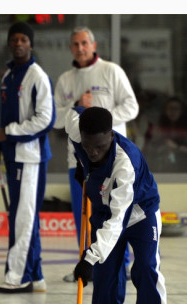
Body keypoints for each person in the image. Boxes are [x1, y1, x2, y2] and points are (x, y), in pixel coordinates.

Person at [65, 106, 173, 304]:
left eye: (100, 147)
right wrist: (82, 162)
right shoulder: (75, 129)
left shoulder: (126, 163)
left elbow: (118, 220)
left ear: (111, 136)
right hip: (104, 210)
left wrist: (89, 258)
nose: (93, 152)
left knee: (146, 267)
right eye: (88, 146)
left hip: (139, 213)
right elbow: (73, 112)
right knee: (106, 275)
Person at [53, 26, 139, 283]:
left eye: (84, 43)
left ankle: (120, 266)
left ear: (93, 44)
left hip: (110, 160)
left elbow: (131, 106)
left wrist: (102, 121)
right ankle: (85, 264)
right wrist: (75, 105)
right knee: (84, 215)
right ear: (71, 48)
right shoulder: (65, 80)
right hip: (78, 160)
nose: (80, 48)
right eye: (75, 44)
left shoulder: (111, 71)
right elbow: (55, 118)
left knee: (114, 213)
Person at [0, 21, 55, 294]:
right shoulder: (7, 76)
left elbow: (46, 119)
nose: (18, 43)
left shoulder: (38, 76)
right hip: (12, 156)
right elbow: (4, 119)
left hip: (30, 158)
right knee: (24, 216)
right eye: (14, 39)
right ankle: (36, 276)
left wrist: (9, 133)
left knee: (22, 218)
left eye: (23, 39)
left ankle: (18, 277)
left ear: (31, 44)